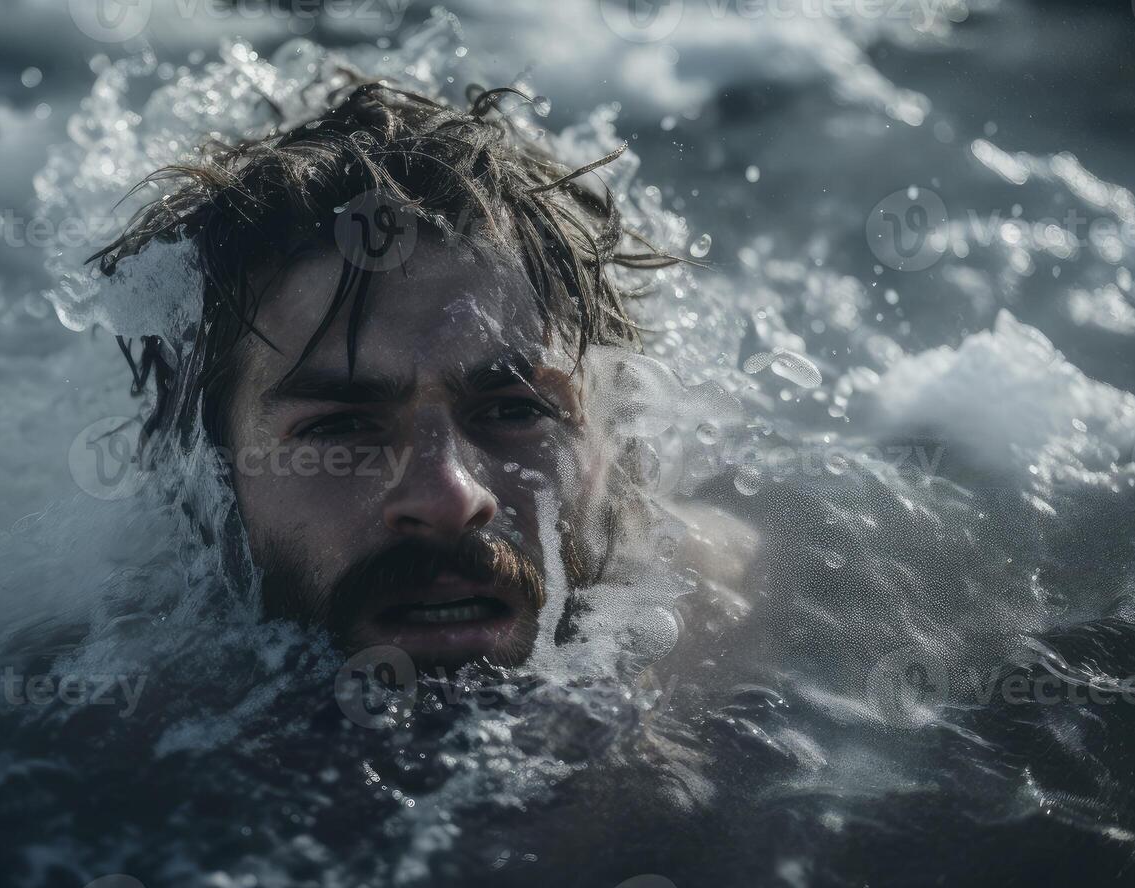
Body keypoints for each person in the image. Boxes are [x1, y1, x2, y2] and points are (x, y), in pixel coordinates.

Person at [93, 79, 751, 670]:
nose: (448, 499)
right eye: (342, 426)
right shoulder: (91, 737)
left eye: (515, 410)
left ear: (609, 443)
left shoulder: (762, 626)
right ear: (210, 478)